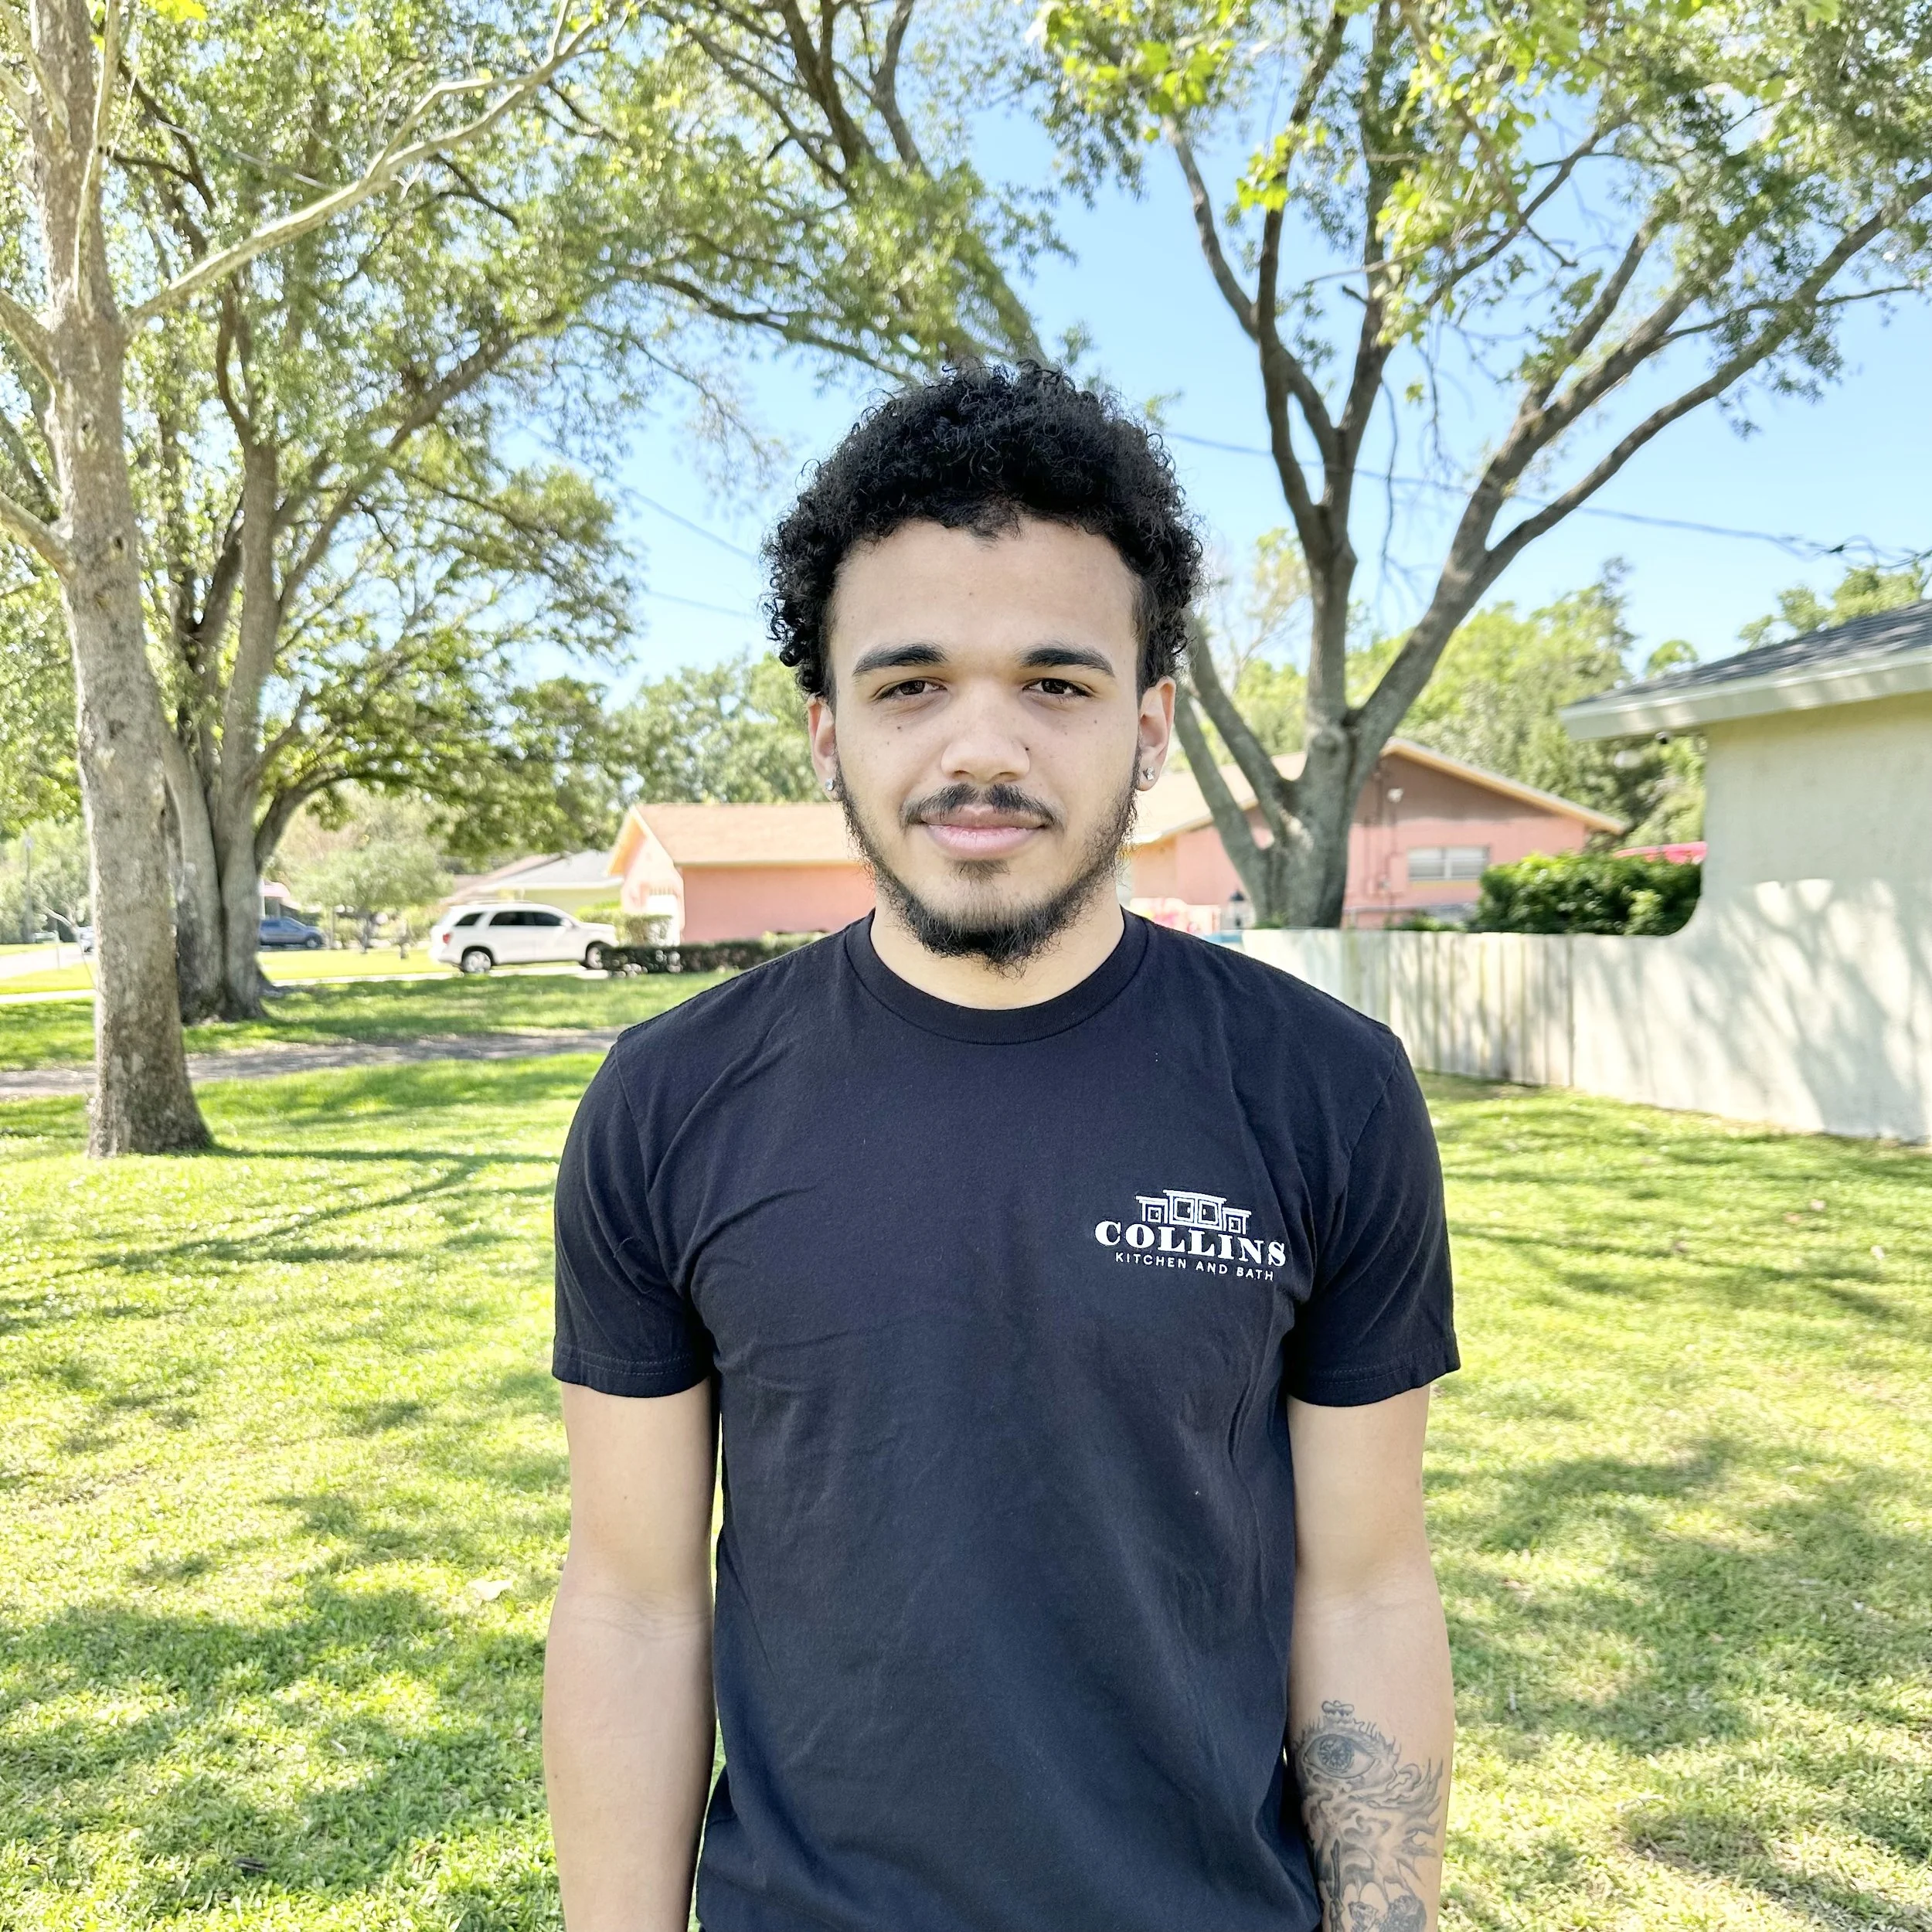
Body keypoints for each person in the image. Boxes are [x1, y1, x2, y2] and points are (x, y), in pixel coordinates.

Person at [544, 365, 1458, 1932]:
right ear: (826, 733)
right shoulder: (668, 1101)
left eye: (1054, 683)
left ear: (1149, 726)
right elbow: (632, 1600)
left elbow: (1366, 1584)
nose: (983, 746)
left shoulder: (1326, 1090)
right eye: (910, 686)